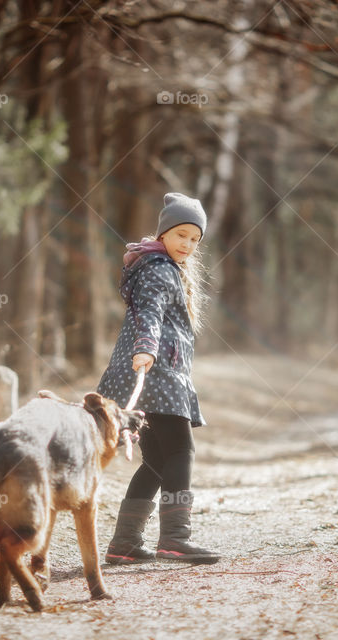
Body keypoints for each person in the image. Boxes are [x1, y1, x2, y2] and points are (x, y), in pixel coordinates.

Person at [97, 192, 219, 565]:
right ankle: (175, 538)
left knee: (154, 461)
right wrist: (146, 347)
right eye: (181, 234)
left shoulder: (161, 267)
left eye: (195, 239)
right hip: (155, 372)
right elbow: (149, 313)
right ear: (164, 232)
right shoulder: (158, 270)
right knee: (182, 451)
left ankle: (124, 543)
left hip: (153, 373)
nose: (188, 244)